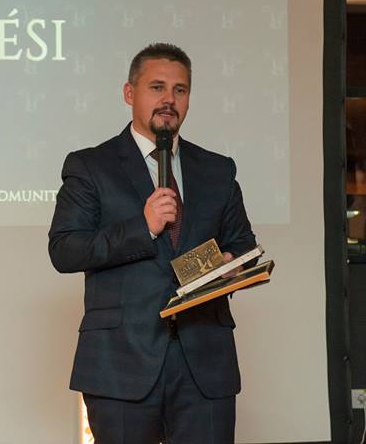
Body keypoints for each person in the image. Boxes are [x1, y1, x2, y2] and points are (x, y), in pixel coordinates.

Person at [48, 43, 257, 444]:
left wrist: (230, 263)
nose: (169, 100)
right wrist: (142, 227)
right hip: (120, 363)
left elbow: (243, 244)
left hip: (205, 362)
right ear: (130, 93)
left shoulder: (217, 169)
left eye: (180, 90)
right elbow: (65, 249)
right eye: (157, 87)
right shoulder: (90, 165)